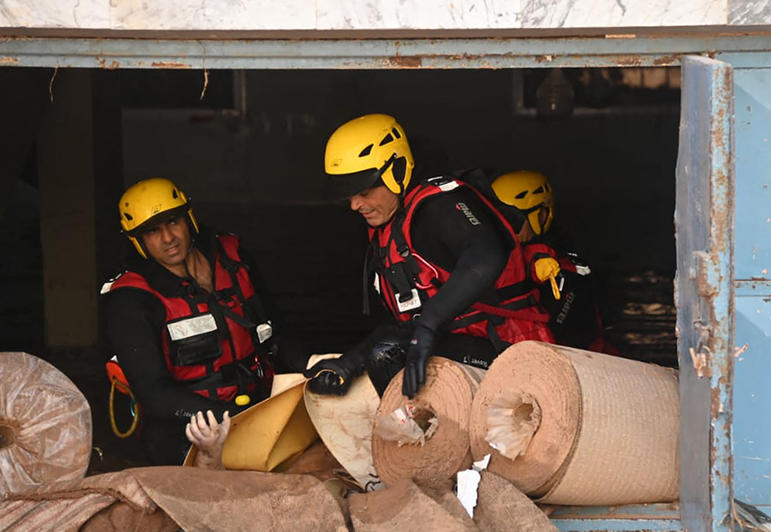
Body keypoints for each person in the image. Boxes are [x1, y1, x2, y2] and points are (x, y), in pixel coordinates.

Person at [304, 114, 554, 399]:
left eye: (363, 191)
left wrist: (428, 325)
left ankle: (417, 435)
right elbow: (404, 323)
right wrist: (349, 363)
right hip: (460, 344)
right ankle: (417, 435)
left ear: (397, 170)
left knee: (387, 354)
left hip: (509, 347)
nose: (355, 205)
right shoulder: (390, 224)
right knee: (385, 349)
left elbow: (486, 255)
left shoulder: (441, 205)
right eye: (348, 196)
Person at [101, 177, 276, 465]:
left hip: (260, 401)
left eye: (173, 222)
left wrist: (313, 366)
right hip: (188, 423)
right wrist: (224, 417)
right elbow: (153, 394)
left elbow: (278, 327)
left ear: (189, 218)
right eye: (152, 231)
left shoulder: (232, 257)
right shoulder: (131, 299)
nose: (168, 238)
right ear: (137, 241)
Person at [491, 170, 617, 354]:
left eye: (512, 218)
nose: (507, 226)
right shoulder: (491, 254)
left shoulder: (562, 266)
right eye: (498, 218)